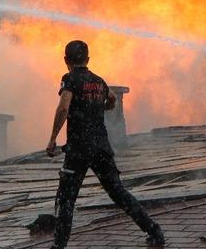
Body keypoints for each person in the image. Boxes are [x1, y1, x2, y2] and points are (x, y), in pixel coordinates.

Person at [46, 40, 166, 248]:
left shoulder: (69, 79)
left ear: (66, 60)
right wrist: (103, 107)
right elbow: (111, 98)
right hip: (101, 146)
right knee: (118, 192)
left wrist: (52, 138)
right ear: (88, 60)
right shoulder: (98, 81)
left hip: (78, 150)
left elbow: (63, 108)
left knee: (66, 200)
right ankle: (154, 230)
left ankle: (59, 246)